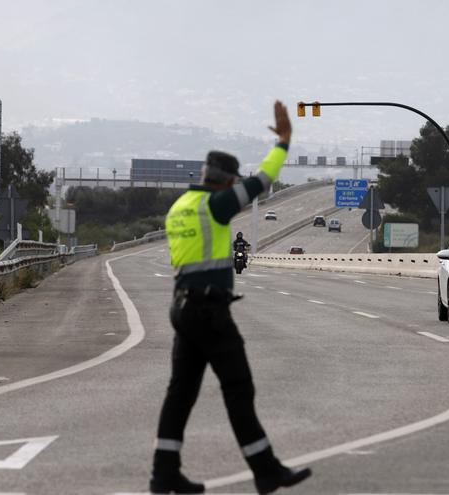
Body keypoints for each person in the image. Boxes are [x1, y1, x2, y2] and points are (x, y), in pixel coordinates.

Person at [150, 101, 312, 495]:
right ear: (223, 180)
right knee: (239, 387)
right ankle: (266, 470)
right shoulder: (215, 205)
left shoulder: (178, 209)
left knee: (180, 394)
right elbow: (262, 181)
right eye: (231, 182)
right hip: (208, 310)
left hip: (182, 308)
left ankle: (164, 474)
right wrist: (283, 143)